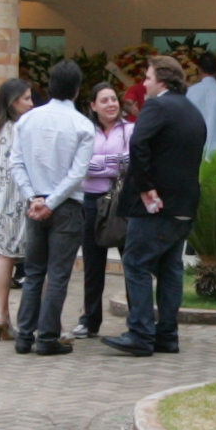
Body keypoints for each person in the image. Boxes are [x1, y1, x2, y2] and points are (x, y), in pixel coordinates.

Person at [101, 55, 202, 358]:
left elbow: (138, 144)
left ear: (162, 80)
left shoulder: (157, 106)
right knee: (171, 268)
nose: (143, 85)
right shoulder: (192, 110)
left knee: (136, 262)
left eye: (147, 78)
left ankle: (141, 333)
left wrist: (146, 188)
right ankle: (167, 335)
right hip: (184, 204)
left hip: (156, 205)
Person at [9, 60, 98, 356]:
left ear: (48, 87)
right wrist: (51, 201)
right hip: (66, 206)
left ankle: (24, 334)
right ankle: (46, 337)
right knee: (58, 274)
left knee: (34, 271)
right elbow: (77, 173)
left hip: (35, 204)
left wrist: (33, 197)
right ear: (76, 90)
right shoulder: (83, 125)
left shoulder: (27, 120)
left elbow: (16, 162)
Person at [0, 74, 36, 339]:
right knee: (31, 257)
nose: (31, 103)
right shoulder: (18, 130)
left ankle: (2, 313)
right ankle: (33, 318)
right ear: (13, 102)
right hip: (17, 198)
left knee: (4, 256)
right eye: (26, 98)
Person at [77, 81, 132, 336]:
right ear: (92, 105)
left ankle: (137, 320)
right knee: (92, 264)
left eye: (113, 99)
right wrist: (115, 162)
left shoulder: (131, 129)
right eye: (104, 100)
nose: (110, 104)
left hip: (122, 202)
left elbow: (131, 161)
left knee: (131, 262)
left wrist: (99, 162)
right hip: (92, 201)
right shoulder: (85, 131)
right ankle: (89, 321)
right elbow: (80, 164)